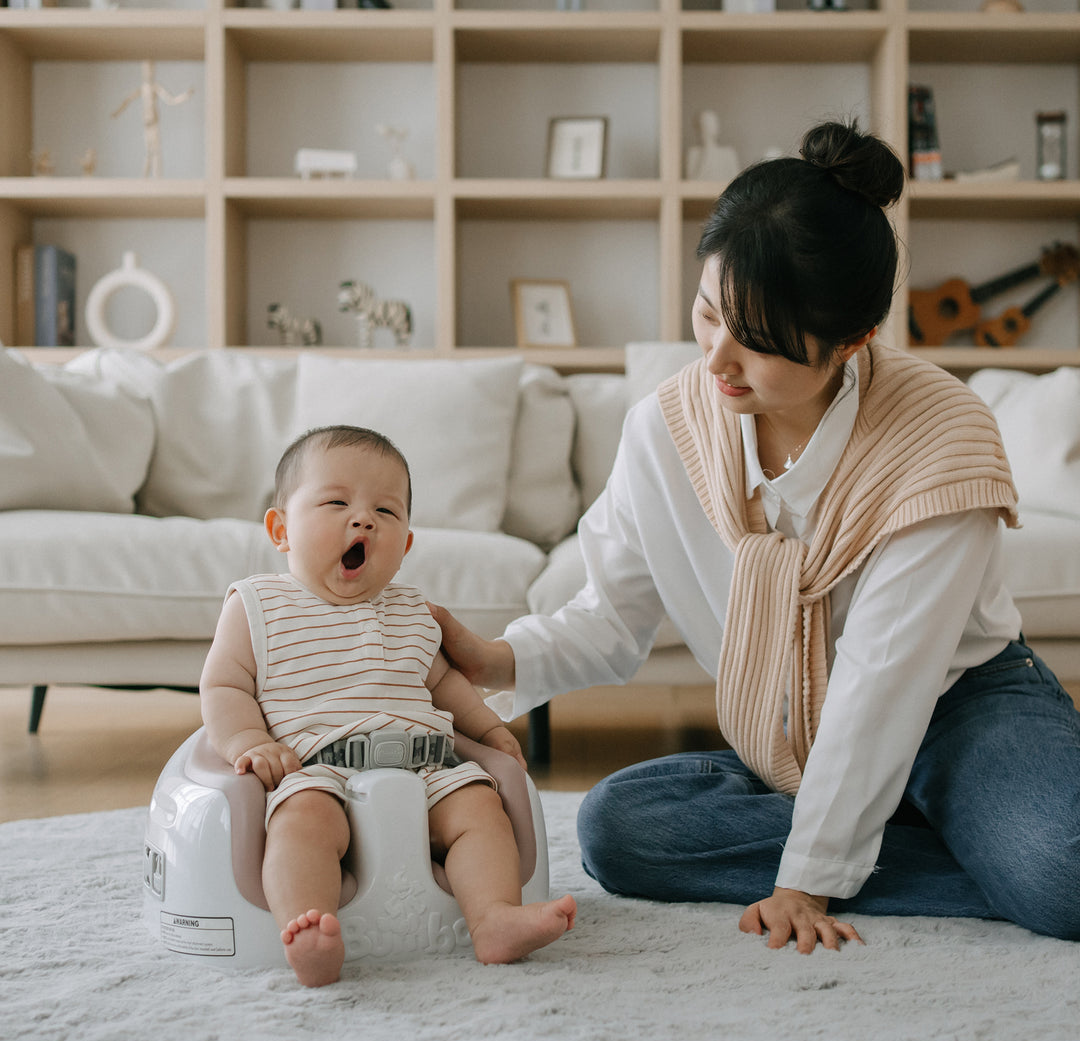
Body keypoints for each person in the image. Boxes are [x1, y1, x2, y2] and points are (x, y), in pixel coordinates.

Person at [432, 119, 1080, 953]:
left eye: (760, 343)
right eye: (708, 315)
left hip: (963, 709)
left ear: (853, 342)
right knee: (616, 828)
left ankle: (940, 838)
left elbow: (884, 681)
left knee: (1065, 871)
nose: (717, 361)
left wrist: (808, 880)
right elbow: (609, 615)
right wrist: (496, 661)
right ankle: (957, 847)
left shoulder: (939, 439)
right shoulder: (667, 428)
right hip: (792, 734)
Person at [200, 425, 575, 986]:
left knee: (481, 809)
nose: (363, 519)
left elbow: (447, 685)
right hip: (315, 767)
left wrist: (489, 730)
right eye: (336, 502)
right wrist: (250, 742)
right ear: (281, 529)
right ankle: (308, 928)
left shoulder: (412, 612)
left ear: (405, 545)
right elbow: (224, 686)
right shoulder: (258, 604)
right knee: (302, 826)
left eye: (386, 511)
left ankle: (494, 918)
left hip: (426, 764)